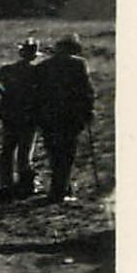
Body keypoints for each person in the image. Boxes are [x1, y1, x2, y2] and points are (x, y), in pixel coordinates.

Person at [33, 33, 96, 203]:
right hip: (70, 115)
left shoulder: (43, 66)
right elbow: (86, 90)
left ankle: (61, 187)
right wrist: (89, 111)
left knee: (54, 153)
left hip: (48, 116)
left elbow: (35, 93)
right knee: (67, 153)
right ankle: (59, 191)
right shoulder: (78, 64)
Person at [0, 38, 42, 200]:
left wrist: (1, 94)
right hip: (29, 115)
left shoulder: (9, 69)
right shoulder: (38, 72)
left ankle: (6, 185)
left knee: (8, 150)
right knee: (25, 151)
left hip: (10, 113)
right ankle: (26, 185)